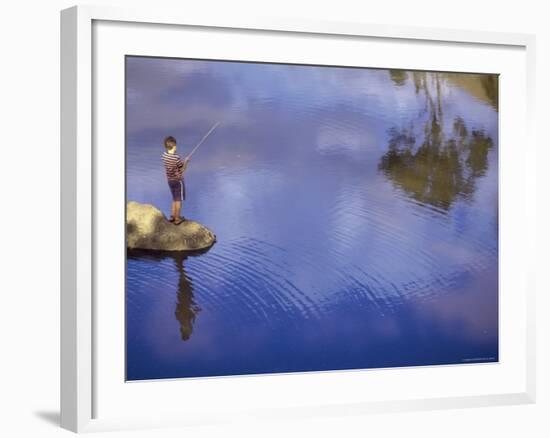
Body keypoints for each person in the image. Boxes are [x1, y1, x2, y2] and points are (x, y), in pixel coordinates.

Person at [161, 136, 188, 225]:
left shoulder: (164, 156)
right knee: (178, 200)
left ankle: (172, 216)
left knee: (174, 198)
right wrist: (186, 162)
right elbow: (182, 169)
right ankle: (177, 219)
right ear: (175, 146)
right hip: (178, 181)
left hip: (170, 181)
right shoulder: (176, 157)